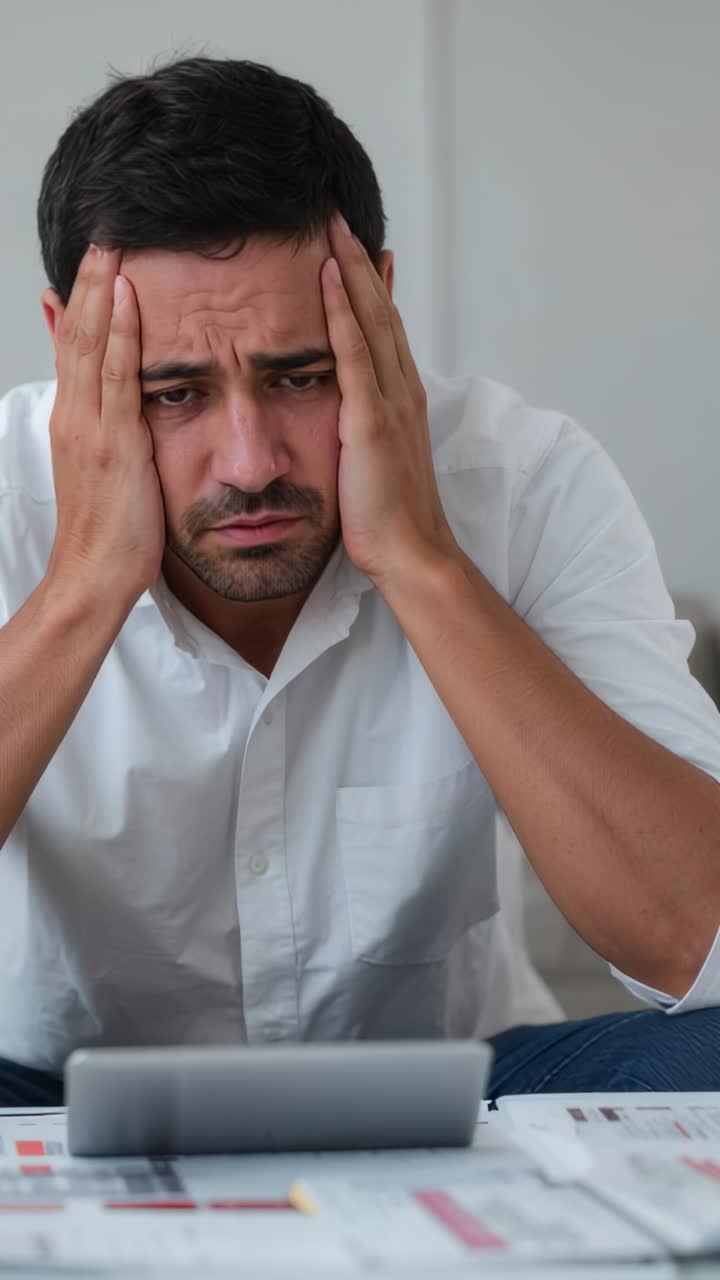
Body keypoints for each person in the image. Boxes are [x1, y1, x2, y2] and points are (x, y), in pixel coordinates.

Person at [1, 55, 719, 1110]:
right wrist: (82, 589)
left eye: (299, 376)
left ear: (378, 307)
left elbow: (696, 933)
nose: (249, 462)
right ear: (76, 351)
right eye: (175, 392)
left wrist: (425, 563)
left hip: (457, 1090)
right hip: (46, 1092)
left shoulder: (521, 480)